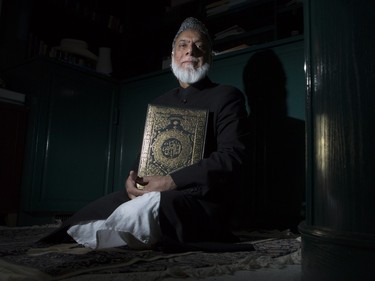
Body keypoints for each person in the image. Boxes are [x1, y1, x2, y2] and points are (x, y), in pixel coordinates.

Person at [40, 17, 250, 252]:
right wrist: (133, 181)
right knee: (90, 213)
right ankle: (112, 231)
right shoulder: (159, 103)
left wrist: (171, 182)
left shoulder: (226, 96)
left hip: (198, 199)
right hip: (154, 192)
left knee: (151, 205)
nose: (190, 50)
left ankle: (114, 233)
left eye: (199, 45)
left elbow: (232, 156)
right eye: (183, 44)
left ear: (210, 56)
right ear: (173, 55)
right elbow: (146, 155)